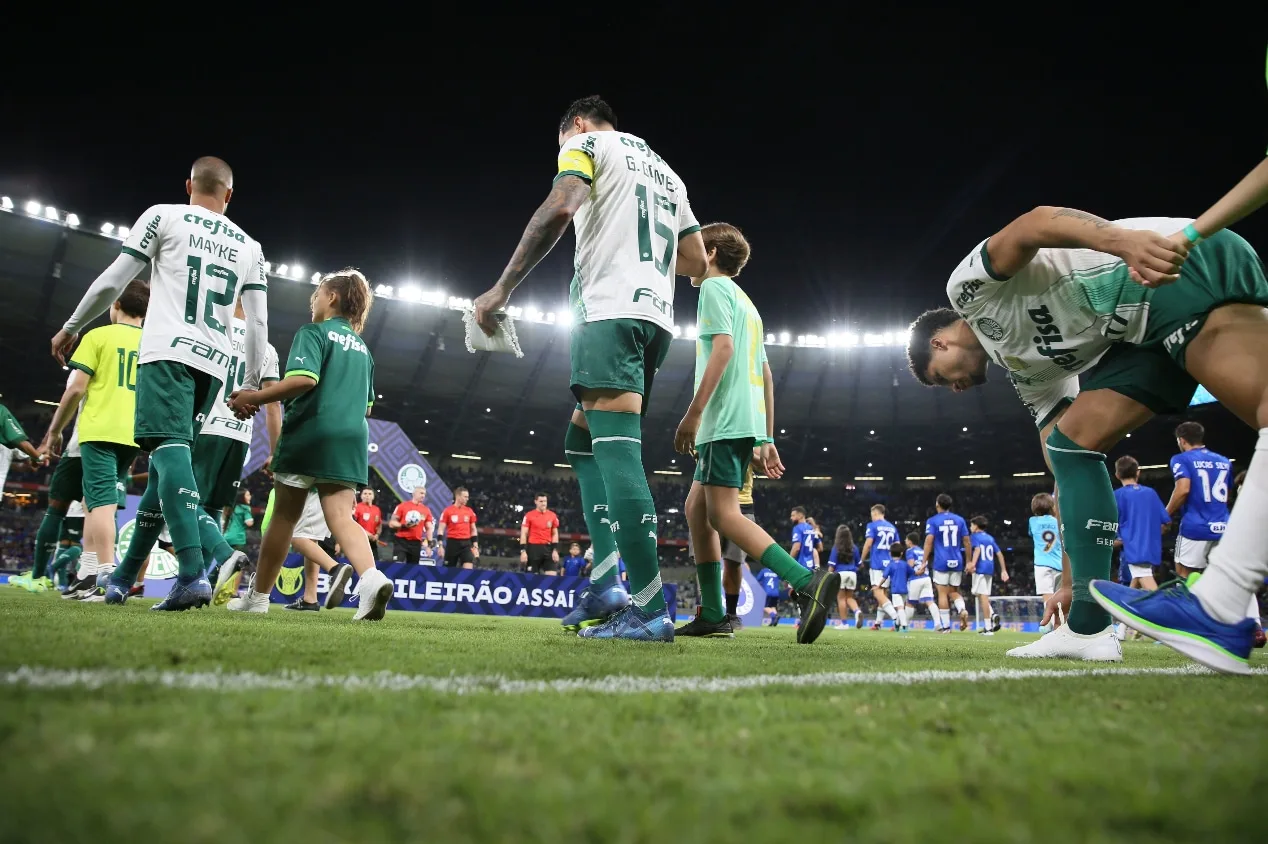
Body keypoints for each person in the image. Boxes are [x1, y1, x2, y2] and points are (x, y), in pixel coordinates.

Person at [906, 188, 1268, 672]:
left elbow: (1034, 223)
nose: (952, 389)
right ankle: (1089, 626)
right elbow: (1064, 479)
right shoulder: (1031, 374)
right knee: (1071, 446)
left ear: (939, 342)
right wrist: (1070, 582)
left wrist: (1121, 241)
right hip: (1148, 332)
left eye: (939, 378)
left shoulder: (969, 291)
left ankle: (1222, 603)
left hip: (1169, 267)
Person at [473, 95, 708, 641]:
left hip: (608, 314)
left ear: (576, 124)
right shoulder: (670, 174)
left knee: (620, 450)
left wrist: (501, 288)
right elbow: (695, 261)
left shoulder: (585, 143)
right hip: (657, 320)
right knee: (580, 444)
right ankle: (606, 583)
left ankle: (649, 611)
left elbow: (561, 205)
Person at [54, 157, 270, 611]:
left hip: (168, 355)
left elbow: (116, 278)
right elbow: (257, 323)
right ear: (229, 195)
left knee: (169, 458)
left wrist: (74, 323)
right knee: (164, 469)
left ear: (189, 184)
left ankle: (194, 571)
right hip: (212, 367)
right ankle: (123, 577)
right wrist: (250, 384)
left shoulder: (163, 215)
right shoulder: (250, 246)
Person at [672, 222, 839, 642]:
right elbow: (765, 373)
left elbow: (724, 349)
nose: (683, 257)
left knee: (722, 514)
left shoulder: (713, 289)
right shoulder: (747, 303)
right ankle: (712, 613)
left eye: (689, 249)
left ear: (709, 252)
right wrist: (764, 437)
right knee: (697, 509)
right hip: (744, 420)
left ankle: (804, 580)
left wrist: (694, 413)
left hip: (722, 417)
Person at [225, 268, 393, 620]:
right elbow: (366, 406)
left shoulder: (314, 333)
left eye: (317, 293)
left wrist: (255, 395)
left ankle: (257, 598)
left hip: (312, 432)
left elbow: (304, 379)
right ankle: (371, 578)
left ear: (332, 297)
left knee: (284, 517)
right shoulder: (364, 350)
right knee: (342, 518)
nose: (312, 301)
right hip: (352, 436)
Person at [197, 300, 282, 592]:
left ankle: (220, 558)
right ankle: (199, 581)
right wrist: (274, 451)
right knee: (212, 509)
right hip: (239, 437)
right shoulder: (266, 348)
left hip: (204, 428)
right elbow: (273, 407)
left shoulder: (210, 330)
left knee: (179, 498)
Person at [1165, 422, 1233, 583]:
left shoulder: (1181, 459)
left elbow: (1183, 489)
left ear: (1181, 440)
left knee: (1183, 575)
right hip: (1224, 527)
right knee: (1220, 577)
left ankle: (1186, 607)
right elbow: (1228, 493)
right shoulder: (1224, 461)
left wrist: (1165, 515)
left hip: (1195, 527)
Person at [281, 489, 354, 612]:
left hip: (314, 489)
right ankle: (310, 599)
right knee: (311, 540)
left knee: (297, 537)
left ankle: (335, 568)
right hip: (329, 492)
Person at [1113, 456, 1169, 594]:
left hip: (1133, 546)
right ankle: (1125, 607)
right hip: (1151, 545)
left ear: (1117, 475)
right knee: (1137, 577)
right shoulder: (1151, 493)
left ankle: (1164, 610)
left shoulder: (1117, 495)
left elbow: (1110, 524)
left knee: (1144, 577)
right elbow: (1166, 522)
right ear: (1138, 473)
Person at [921, 494, 971, 633]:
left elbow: (929, 541)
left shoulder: (933, 521)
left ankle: (947, 627)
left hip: (941, 561)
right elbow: (967, 541)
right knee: (954, 591)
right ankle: (962, 609)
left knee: (942, 593)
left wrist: (924, 561)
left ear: (937, 504)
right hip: (957, 561)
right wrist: (969, 561)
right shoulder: (960, 520)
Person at [719, 459, 760, 628]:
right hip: (712, 499)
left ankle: (731, 614)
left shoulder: (753, 434)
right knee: (707, 561)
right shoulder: (706, 431)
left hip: (742, 504)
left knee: (734, 563)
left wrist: (744, 447)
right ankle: (709, 611)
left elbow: (762, 462)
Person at [1028, 492, 1064, 632]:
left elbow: (1031, 533)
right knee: (1059, 597)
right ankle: (1059, 625)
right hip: (1060, 564)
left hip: (1042, 564)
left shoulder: (1032, 521)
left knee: (1047, 596)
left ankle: (1048, 625)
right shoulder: (1057, 521)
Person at [968, 516, 1008, 633]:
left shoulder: (974, 536)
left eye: (971, 525)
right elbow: (1000, 554)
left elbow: (978, 550)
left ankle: (988, 627)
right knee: (979, 594)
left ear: (976, 526)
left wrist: (972, 564)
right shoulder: (990, 538)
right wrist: (1003, 570)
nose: (970, 528)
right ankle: (992, 614)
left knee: (983, 596)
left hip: (980, 568)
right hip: (989, 569)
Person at [862, 504, 900, 629]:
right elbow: (897, 546)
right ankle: (878, 623)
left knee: (877, 592)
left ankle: (896, 618)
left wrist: (861, 559)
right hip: (889, 563)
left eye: (872, 515)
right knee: (883, 593)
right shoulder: (892, 527)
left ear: (875, 513)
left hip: (877, 564)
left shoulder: (872, 526)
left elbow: (868, 544)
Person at [904, 532, 940, 629]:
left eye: (906, 539)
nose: (905, 541)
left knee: (910, 603)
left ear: (910, 541)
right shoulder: (922, 551)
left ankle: (905, 626)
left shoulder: (910, 551)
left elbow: (911, 564)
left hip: (915, 578)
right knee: (930, 602)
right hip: (926, 578)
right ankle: (938, 624)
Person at [389, 486, 433, 564]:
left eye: (424, 494)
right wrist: (404, 526)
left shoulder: (426, 510)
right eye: (421, 493)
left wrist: (429, 545)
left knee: (413, 569)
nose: (423, 496)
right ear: (414, 494)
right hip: (401, 541)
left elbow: (429, 528)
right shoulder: (402, 506)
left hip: (416, 543)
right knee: (397, 564)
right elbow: (392, 523)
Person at [830, 525, 862, 630]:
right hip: (852, 574)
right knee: (849, 598)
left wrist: (828, 577)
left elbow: (831, 566)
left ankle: (844, 623)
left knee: (841, 598)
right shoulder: (855, 548)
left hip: (840, 574)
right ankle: (857, 611)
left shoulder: (836, 548)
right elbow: (859, 564)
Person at [438, 487, 477, 569]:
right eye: (465, 497)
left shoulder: (469, 511)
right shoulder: (447, 511)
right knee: (448, 570)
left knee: (468, 566)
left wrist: (475, 546)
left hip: (466, 543)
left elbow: (473, 529)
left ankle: (465, 581)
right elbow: (441, 529)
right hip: (452, 543)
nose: (467, 499)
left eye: (468, 497)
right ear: (458, 497)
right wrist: (440, 545)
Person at [520, 492, 560, 573]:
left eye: (545, 501)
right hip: (533, 549)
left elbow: (555, 534)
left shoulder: (552, 516)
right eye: (541, 501)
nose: (543, 503)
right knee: (532, 579)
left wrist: (555, 550)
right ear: (536, 502)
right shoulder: (529, 515)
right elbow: (523, 534)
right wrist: (523, 551)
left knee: (551, 577)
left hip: (548, 549)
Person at [882, 541, 911, 632]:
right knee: (901, 607)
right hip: (905, 589)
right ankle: (897, 624)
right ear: (902, 553)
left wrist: (878, 585)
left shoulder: (891, 565)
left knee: (900, 608)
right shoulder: (905, 564)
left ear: (890, 553)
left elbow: (884, 577)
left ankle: (904, 626)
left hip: (895, 590)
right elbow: (912, 573)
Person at [353, 487, 384, 560]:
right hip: (358, 540)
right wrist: (366, 533)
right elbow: (353, 523)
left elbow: (379, 524)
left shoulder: (377, 509)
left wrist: (377, 534)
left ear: (373, 496)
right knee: (358, 561)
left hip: (372, 542)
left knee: (375, 562)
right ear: (361, 496)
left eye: (370, 494)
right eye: (365, 493)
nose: (367, 495)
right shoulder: (356, 507)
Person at [788, 506, 818, 571]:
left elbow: (796, 548)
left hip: (801, 565)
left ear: (800, 515)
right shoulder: (811, 528)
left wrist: (788, 561)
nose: (791, 518)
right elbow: (818, 547)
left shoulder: (797, 528)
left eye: (793, 515)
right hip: (811, 564)